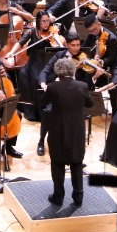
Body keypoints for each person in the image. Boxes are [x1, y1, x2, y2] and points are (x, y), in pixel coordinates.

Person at [42, 55, 90, 206]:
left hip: (58, 130)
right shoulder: (82, 86)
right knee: (77, 162)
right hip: (76, 130)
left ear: (58, 72)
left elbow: (43, 103)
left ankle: (58, 195)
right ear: (73, 70)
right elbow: (89, 103)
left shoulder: (52, 87)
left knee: (57, 162)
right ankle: (78, 196)